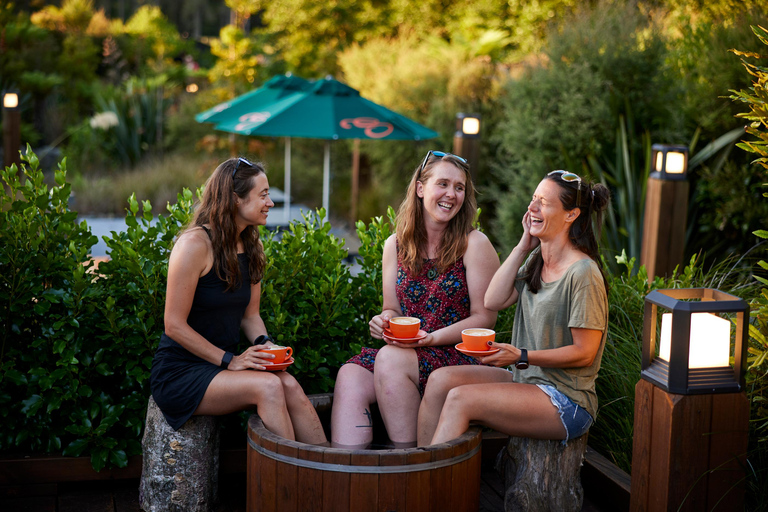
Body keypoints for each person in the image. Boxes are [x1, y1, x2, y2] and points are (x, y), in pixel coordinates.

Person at [417, 170, 610, 446]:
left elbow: (585, 353)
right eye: (533, 199)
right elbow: (493, 300)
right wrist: (522, 246)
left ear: (571, 215)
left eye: (543, 202)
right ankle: (418, 467)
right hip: (526, 381)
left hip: (566, 401)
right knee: (439, 381)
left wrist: (521, 355)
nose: (531, 208)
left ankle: (429, 484)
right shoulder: (537, 259)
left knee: (461, 400)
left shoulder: (583, 273)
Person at [150, 157, 326, 444]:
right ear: (235, 199)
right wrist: (229, 360)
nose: (270, 202)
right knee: (268, 387)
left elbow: (250, 316)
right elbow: (174, 325)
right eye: (263, 194)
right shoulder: (194, 245)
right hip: (180, 372)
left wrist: (266, 346)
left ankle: (330, 470)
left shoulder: (251, 245)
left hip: (222, 367)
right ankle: (294, 482)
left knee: (289, 384)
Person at [331, 150, 500, 448]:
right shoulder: (394, 245)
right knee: (350, 375)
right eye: (443, 184)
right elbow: (392, 309)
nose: (451, 194)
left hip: (456, 354)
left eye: (459, 188)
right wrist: (384, 322)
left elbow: (484, 319)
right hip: (411, 352)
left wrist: (430, 339)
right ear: (421, 189)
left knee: (391, 359)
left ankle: (410, 464)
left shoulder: (474, 244)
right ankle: (348, 472)